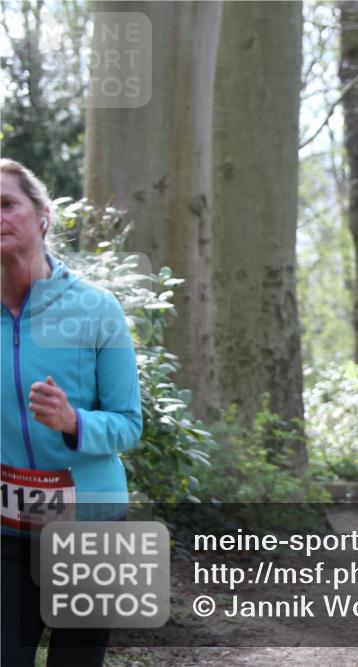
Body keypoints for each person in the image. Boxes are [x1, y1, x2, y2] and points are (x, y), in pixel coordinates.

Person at [1, 159, 143, 666]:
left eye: (7, 204)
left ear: (42, 215)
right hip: (8, 529)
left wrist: (73, 422)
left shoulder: (96, 309)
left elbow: (129, 422)